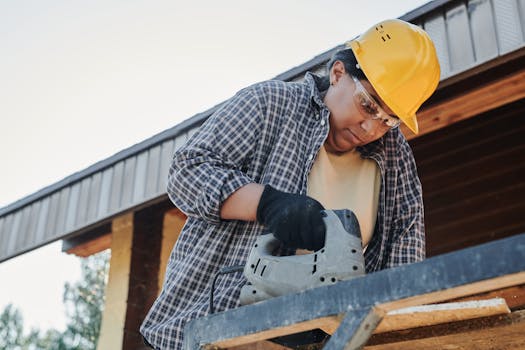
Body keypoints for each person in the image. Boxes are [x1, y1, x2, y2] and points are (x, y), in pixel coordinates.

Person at [141, 18, 440, 349]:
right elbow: (187, 170)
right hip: (212, 329)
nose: (371, 128)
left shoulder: (395, 158)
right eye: (367, 104)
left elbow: (405, 257)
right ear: (338, 73)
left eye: (388, 120)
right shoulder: (271, 104)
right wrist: (266, 204)